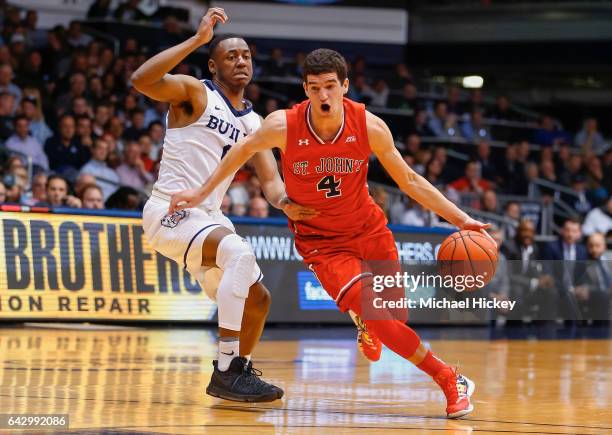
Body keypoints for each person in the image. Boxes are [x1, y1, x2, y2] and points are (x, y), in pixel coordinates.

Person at [169, 48, 492, 419]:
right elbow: (240, 152)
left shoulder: (369, 126)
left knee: (395, 318)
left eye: (330, 87)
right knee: (382, 320)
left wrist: (461, 219)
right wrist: (200, 192)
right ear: (305, 89)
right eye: (315, 87)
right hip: (322, 243)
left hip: (369, 231)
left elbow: (410, 180)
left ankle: (368, 325)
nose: (323, 96)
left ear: (345, 87)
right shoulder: (282, 125)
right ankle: (450, 379)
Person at [132, 8, 311, 403]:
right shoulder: (195, 93)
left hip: (210, 217)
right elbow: (141, 79)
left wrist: (285, 202)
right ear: (213, 65)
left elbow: (269, 179)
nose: (241, 60)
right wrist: (196, 39)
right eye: (231, 55)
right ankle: (226, 368)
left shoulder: (255, 123)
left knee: (259, 299)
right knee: (239, 253)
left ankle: (239, 371)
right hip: (171, 211)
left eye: (246, 55)